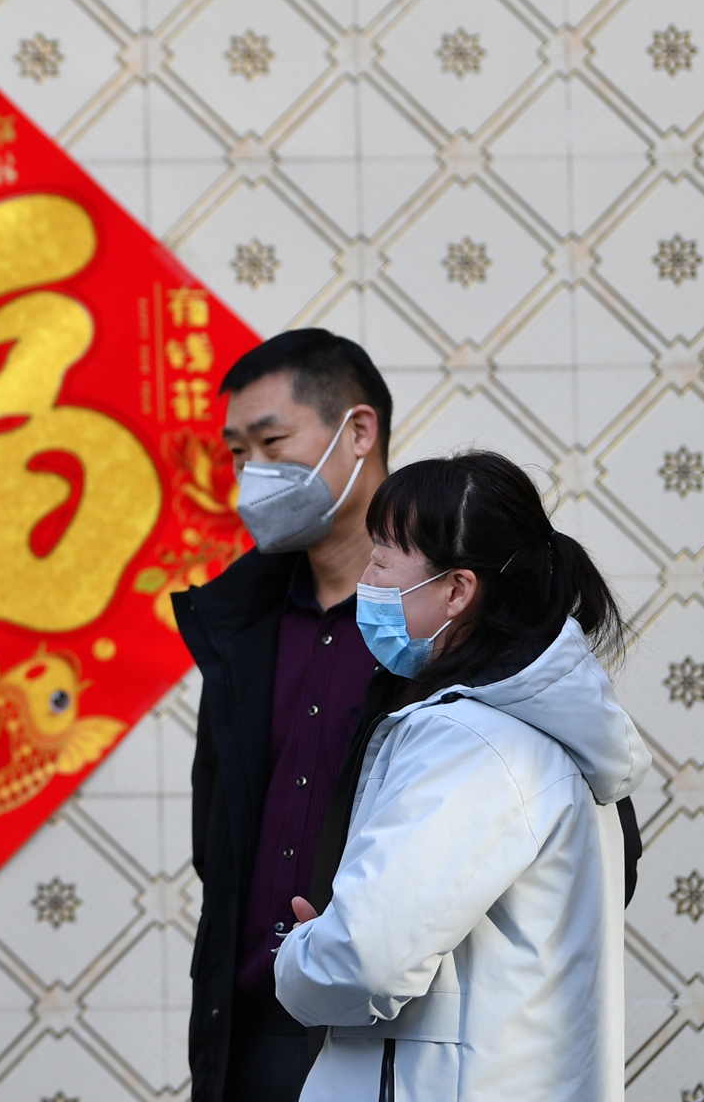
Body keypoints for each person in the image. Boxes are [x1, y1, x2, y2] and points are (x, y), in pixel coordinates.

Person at [274, 451, 647, 1099]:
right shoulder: (537, 733)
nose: (367, 579)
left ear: (457, 590)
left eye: (383, 560)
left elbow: (364, 962)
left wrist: (302, 952)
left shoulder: (470, 741)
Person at [173, 329, 398, 1102]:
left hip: (397, 1040)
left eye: (272, 441)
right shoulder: (241, 623)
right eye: (238, 453)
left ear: (358, 432)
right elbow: (220, 836)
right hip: (252, 1037)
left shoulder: (454, 621)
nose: (252, 474)